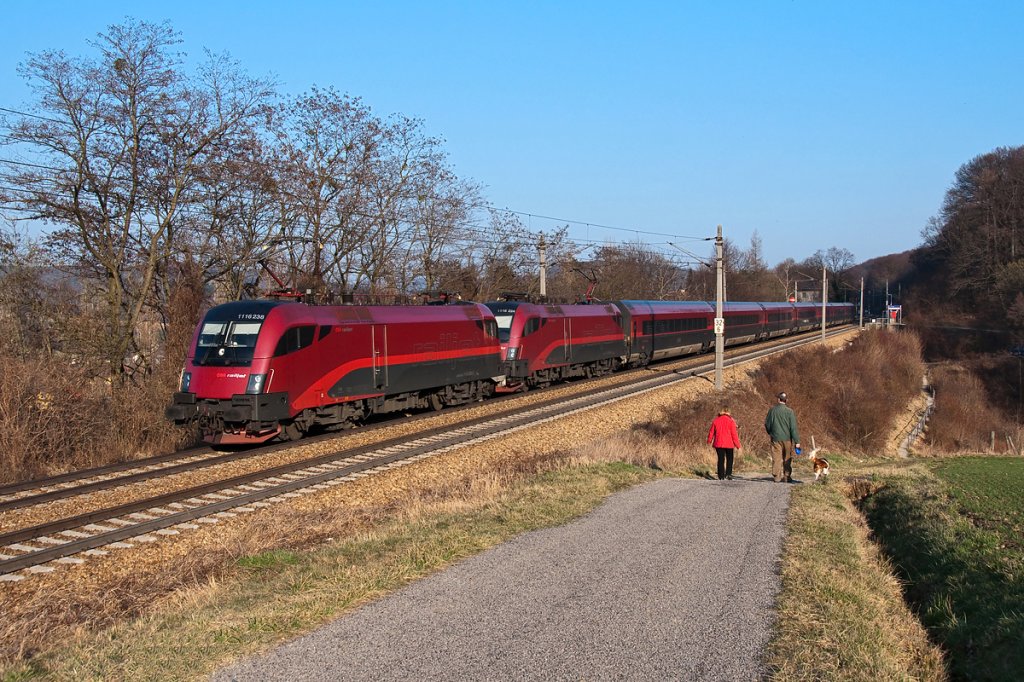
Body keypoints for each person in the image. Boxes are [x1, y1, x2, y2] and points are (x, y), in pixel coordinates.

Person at [764, 392, 801, 483]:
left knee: (776, 457)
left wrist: (770, 433)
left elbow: (767, 424)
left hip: (775, 438)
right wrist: (797, 441)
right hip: (787, 438)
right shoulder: (790, 412)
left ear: (778, 399)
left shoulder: (772, 410)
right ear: (786, 400)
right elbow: (793, 428)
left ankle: (777, 476)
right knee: (787, 457)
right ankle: (787, 476)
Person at [707, 406, 741, 480]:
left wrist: (709, 441)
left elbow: (711, 432)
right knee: (730, 458)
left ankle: (721, 476)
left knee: (721, 459)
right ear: (728, 412)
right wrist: (738, 445)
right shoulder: (731, 421)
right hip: (729, 444)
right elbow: (734, 434)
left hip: (718, 443)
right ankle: (728, 474)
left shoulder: (716, 420)